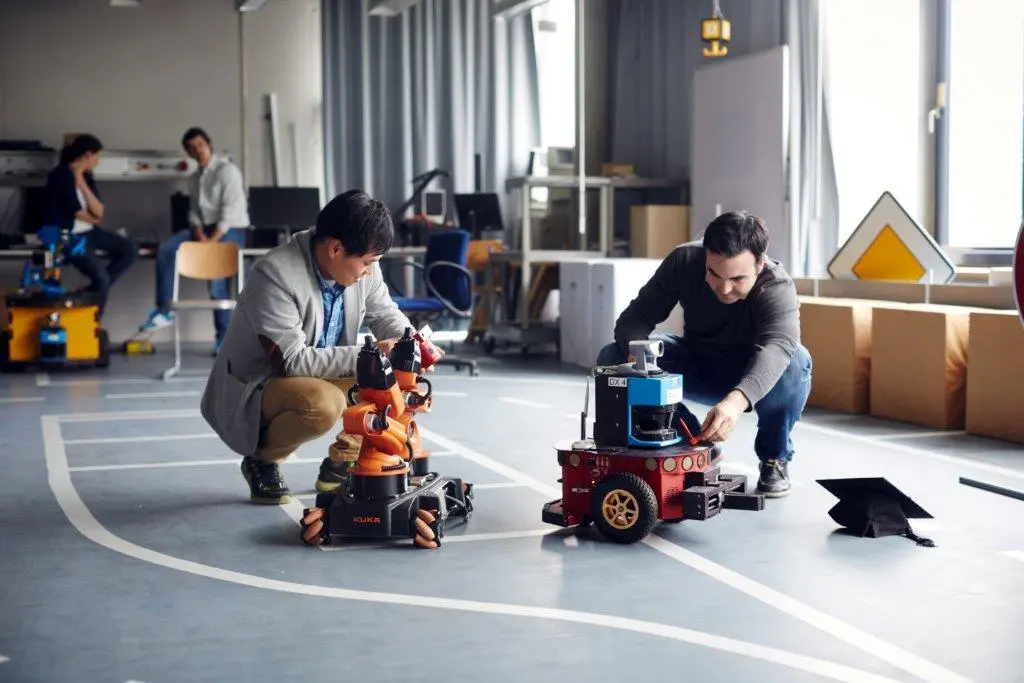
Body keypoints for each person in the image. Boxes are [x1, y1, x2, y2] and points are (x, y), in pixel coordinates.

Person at [200, 189, 443, 504]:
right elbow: (294, 361)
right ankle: (262, 460)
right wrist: (375, 354)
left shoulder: (362, 263)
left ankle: (340, 466)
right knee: (324, 405)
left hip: (315, 370)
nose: (370, 270)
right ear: (336, 248)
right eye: (367, 263)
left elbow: (384, 314)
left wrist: (411, 344)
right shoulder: (274, 274)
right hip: (257, 386)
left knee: (396, 372)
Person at [595, 210, 812, 497]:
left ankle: (774, 458)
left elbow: (777, 348)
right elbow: (634, 319)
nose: (724, 288)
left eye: (737, 279)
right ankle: (691, 440)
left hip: (750, 375)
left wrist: (736, 402)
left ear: (759, 265)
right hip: (697, 363)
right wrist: (641, 366)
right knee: (614, 358)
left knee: (795, 361)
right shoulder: (684, 261)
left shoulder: (778, 287)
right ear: (705, 256)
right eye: (713, 273)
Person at [138, 127, 249, 354]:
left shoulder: (228, 171)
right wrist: (198, 231)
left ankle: (223, 339)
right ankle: (165, 309)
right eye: (191, 148)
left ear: (209, 144)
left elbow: (230, 211)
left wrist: (212, 241)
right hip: (205, 229)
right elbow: (194, 212)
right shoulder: (193, 179)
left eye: (200, 145)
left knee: (216, 278)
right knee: (167, 250)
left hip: (231, 228)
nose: (197, 150)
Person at [43, 134, 137, 315]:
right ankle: (94, 322)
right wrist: (94, 219)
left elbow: (99, 210)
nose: (98, 161)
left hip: (90, 233)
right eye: (97, 156)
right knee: (102, 278)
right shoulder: (60, 175)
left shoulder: (86, 176)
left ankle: (92, 291)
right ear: (88, 155)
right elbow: (77, 211)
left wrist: (82, 182)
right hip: (68, 237)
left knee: (130, 249)